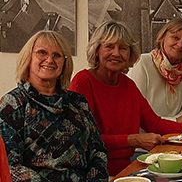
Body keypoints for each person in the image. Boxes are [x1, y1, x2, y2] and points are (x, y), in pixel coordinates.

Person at [69, 20, 182, 176]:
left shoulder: (128, 85)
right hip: (93, 173)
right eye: (109, 47)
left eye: (123, 48)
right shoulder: (83, 82)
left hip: (127, 170)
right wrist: (134, 140)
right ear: (97, 51)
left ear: (130, 54)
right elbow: (84, 138)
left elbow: (154, 123)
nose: (116, 53)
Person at [0, 31, 108, 181]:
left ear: (64, 63)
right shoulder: (12, 103)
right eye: (42, 52)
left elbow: (98, 151)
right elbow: (10, 165)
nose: (49, 60)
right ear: (28, 58)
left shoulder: (78, 102)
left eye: (57, 55)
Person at [128, 19, 182, 123]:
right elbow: (135, 112)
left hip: (176, 133)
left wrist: (175, 123)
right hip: (147, 135)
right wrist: (176, 120)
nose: (180, 45)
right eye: (175, 38)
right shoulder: (142, 63)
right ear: (163, 37)